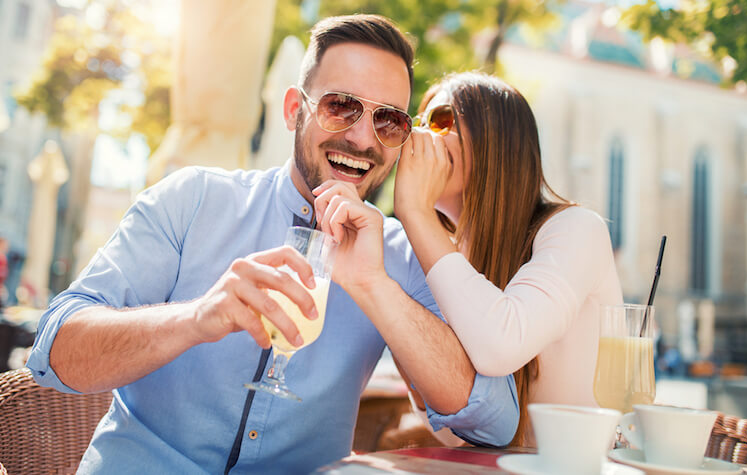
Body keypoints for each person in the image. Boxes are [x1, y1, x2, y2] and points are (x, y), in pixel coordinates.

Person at [27, 16, 519, 474]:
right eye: (340, 106)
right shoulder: (193, 198)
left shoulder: (400, 258)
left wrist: (373, 283)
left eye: (387, 121)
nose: (362, 138)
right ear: (292, 110)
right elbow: (54, 351)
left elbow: (494, 421)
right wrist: (195, 318)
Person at [394, 72, 623, 447]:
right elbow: (457, 434)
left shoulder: (577, 230)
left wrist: (414, 212)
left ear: (496, 141)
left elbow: (500, 347)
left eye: (440, 120)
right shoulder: (445, 257)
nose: (420, 136)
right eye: (419, 124)